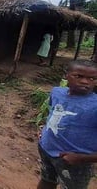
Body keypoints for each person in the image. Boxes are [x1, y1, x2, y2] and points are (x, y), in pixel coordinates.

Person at [37, 59, 97, 189]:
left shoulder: (95, 106)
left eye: (92, 78)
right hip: (47, 150)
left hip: (75, 162)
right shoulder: (57, 92)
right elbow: (53, 111)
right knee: (47, 180)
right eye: (78, 76)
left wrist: (80, 158)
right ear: (66, 75)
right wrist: (45, 129)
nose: (85, 81)